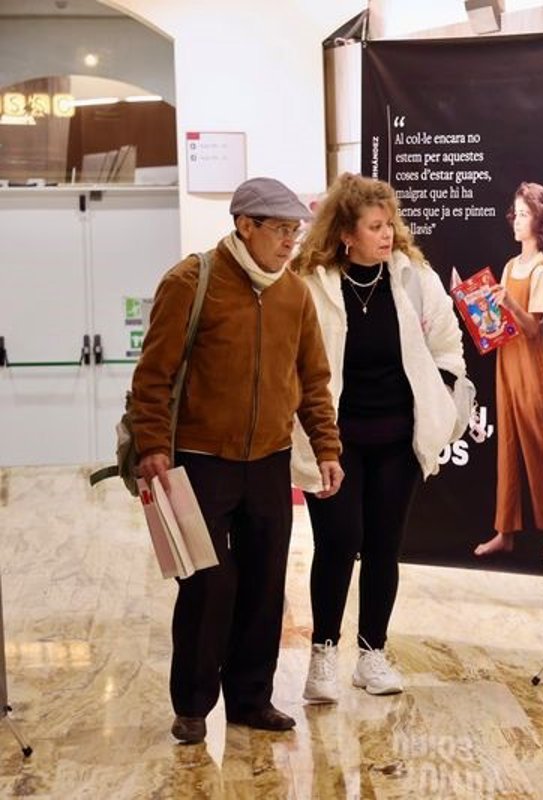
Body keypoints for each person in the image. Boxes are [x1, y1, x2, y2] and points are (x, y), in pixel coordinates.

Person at [130, 177, 345, 745]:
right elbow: (153, 376)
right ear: (245, 226)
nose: (290, 242)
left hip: (270, 461)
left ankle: (251, 699)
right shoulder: (190, 281)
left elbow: (314, 381)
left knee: (265, 583)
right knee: (207, 585)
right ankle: (193, 705)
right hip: (199, 461)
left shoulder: (293, 294)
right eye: (280, 230)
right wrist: (152, 445)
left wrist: (326, 447)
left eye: (295, 230)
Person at [290, 174, 473, 703]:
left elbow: (448, 342)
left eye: (389, 224)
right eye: (374, 226)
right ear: (346, 233)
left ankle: (373, 653)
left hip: (398, 440)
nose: (387, 234)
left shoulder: (414, 277)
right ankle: (323, 655)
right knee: (337, 542)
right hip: (334, 443)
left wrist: (441, 391)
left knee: (384, 546)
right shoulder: (312, 283)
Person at [473, 182, 543, 560]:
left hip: (530, 367)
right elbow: (500, 325)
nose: (516, 220)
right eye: (516, 213)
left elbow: (532, 328)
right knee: (508, 446)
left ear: (539, 221)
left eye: (524, 214)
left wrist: (508, 301)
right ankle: (504, 531)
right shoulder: (511, 266)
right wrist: (476, 307)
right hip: (506, 363)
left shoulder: (541, 269)